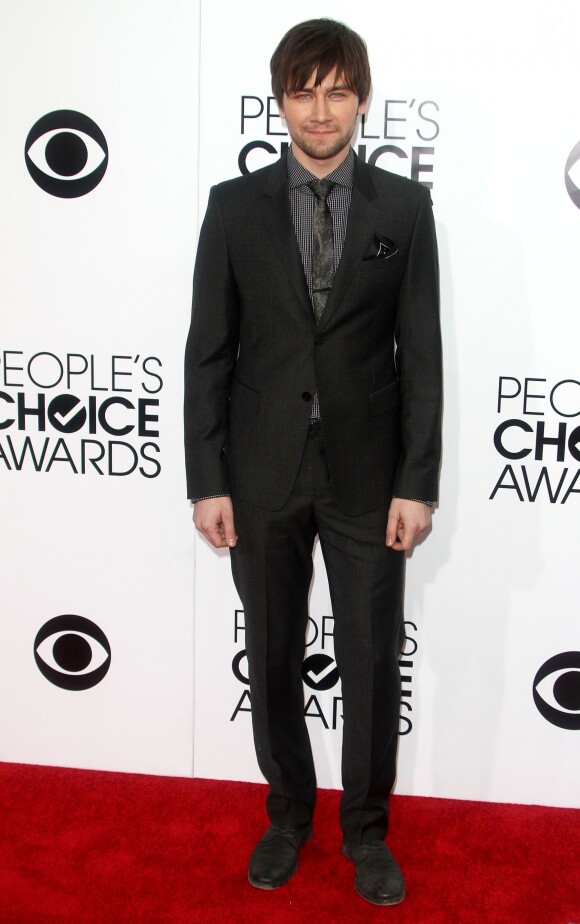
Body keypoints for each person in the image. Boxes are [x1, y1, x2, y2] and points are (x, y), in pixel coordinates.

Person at [184, 18, 442, 907]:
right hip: (260, 474)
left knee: (373, 658)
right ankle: (288, 813)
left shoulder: (404, 209)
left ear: (361, 99)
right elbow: (208, 352)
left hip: (371, 479)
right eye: (304, 91)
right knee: (272, 650)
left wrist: (417, 481)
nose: (321, 110)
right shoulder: (231, 205)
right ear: (281, 99)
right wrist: (207, 478)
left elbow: (424, 353)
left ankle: (367, 832)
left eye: (338, 91)